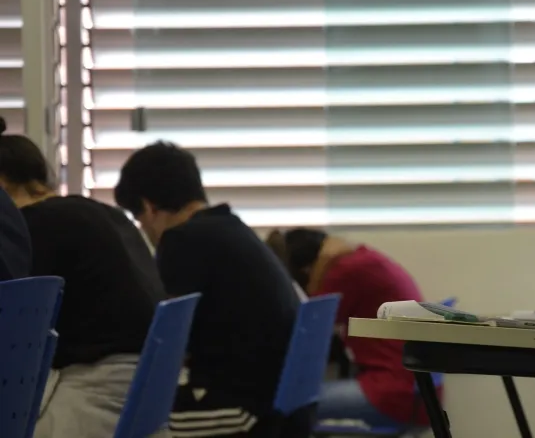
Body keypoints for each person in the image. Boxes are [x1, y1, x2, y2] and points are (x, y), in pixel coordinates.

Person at [114, 141, 309, 438]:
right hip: (278, 407)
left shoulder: (181, 241)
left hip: (245, 412)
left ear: (149, 207)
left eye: (140, 220)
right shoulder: (234, 228)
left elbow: (167, 348)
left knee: (123, 420)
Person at [0, 119, 166, 438]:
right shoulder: (103, 213)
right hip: (148, 389)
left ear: (4, 184)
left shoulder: (32, 227)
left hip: (94, 390)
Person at [266, 228, 435, 431]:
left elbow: (306, 330)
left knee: (286, 408)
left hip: (395, 393)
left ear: (306, 270)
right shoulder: (360, 259)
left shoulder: (342, 272)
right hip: (413, 388)